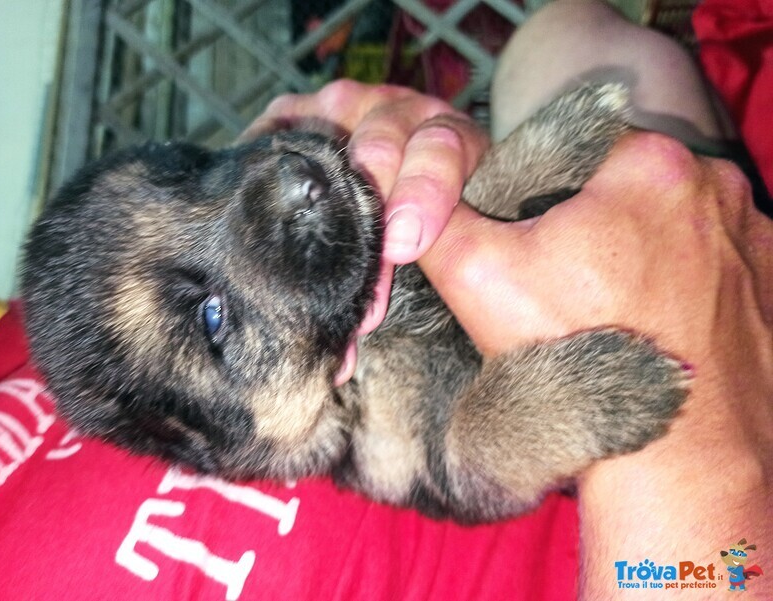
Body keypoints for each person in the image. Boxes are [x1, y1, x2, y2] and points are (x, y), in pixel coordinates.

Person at [245, 0, 773, 596]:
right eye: (212, 318)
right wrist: (713, 468)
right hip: (689, 542)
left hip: (626, 269)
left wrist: (445, 164)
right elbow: (458, 463)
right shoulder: (319, 432)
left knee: (562, 35)